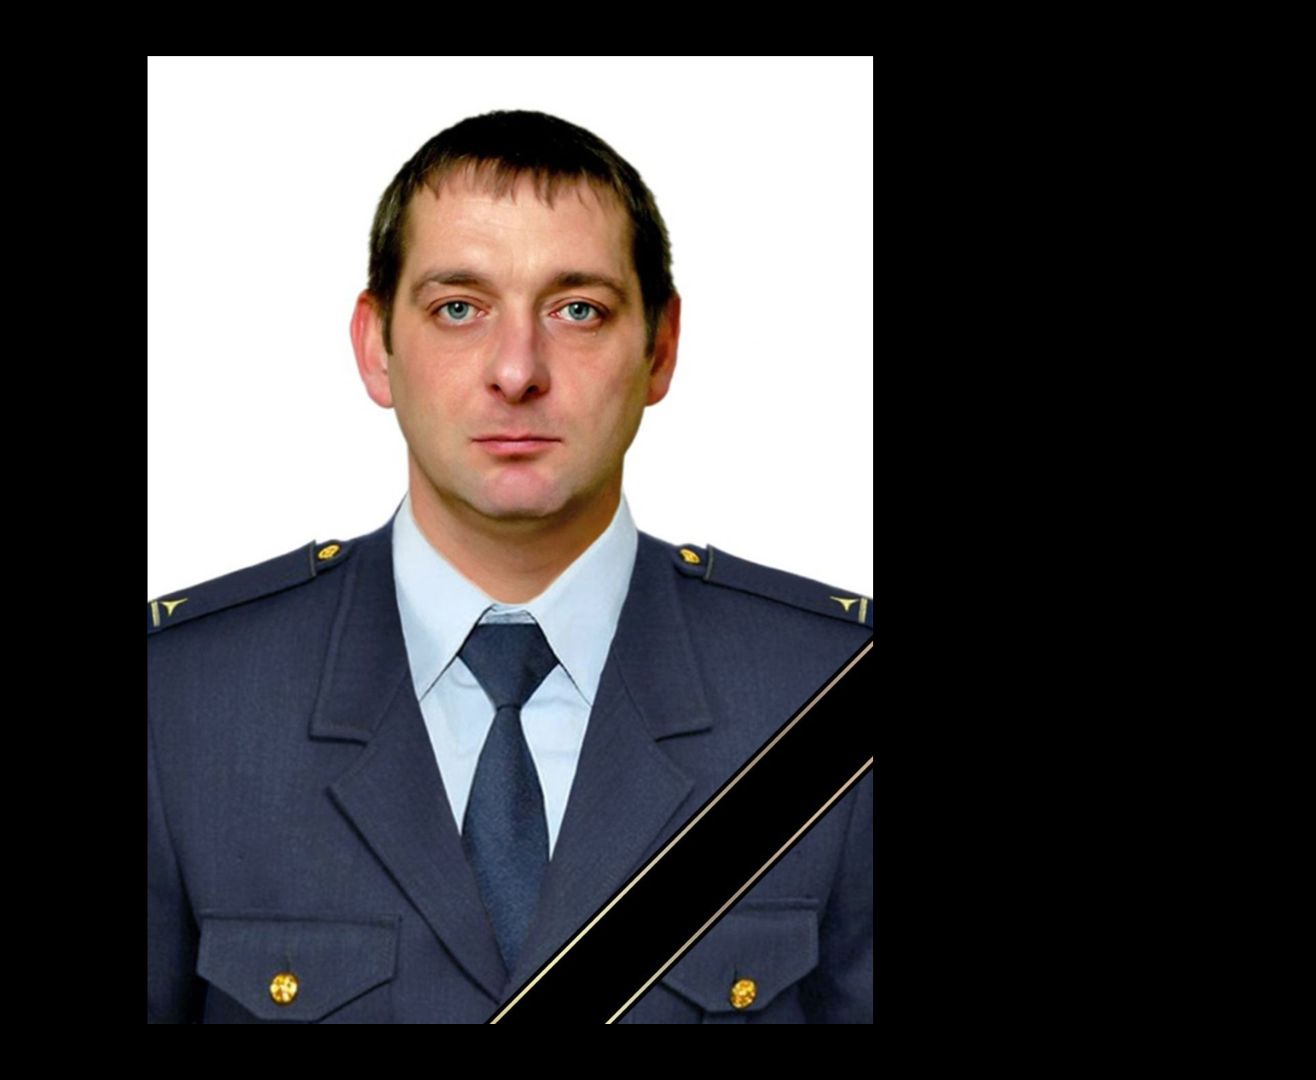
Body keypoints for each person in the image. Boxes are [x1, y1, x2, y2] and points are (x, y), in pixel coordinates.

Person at [148, 110, 872, 1023]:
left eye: (579, 310)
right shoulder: (182, 704)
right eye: (459, 308)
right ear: (376, 347)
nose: (518, 371)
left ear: (660, 347)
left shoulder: (830, 692)